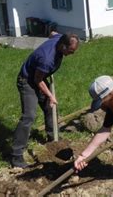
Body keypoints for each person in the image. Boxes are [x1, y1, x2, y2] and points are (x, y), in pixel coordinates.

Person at [11, 32, 79, 168]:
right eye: (71, 51)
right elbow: (38, 80)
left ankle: (52, 139)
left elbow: (52, 33)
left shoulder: (58, 38)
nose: (72, 54)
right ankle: (16, 156)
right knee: (29, 116)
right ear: (63, 46)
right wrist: (50, 95)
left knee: (50, 107)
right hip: (28, 81)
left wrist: (49, 99)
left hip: (39, 77)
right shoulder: (47, 59)